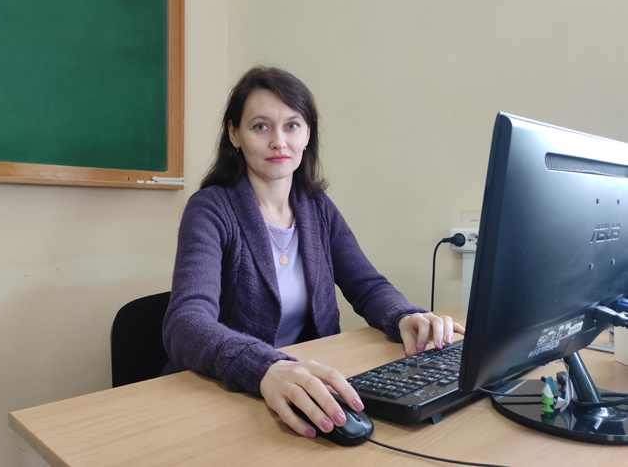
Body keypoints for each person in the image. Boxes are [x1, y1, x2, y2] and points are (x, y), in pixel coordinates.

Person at [162, 66, 465, 439]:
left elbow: (367, 285)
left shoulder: (317, 207)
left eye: (292, 125)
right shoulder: (210, 209)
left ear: (307, 134)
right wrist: (265, 368)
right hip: (228, 391)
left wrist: (404, 316)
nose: (279, 141)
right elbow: (185, 321)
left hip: (305, 386)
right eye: (261, 126)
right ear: (234, 134)